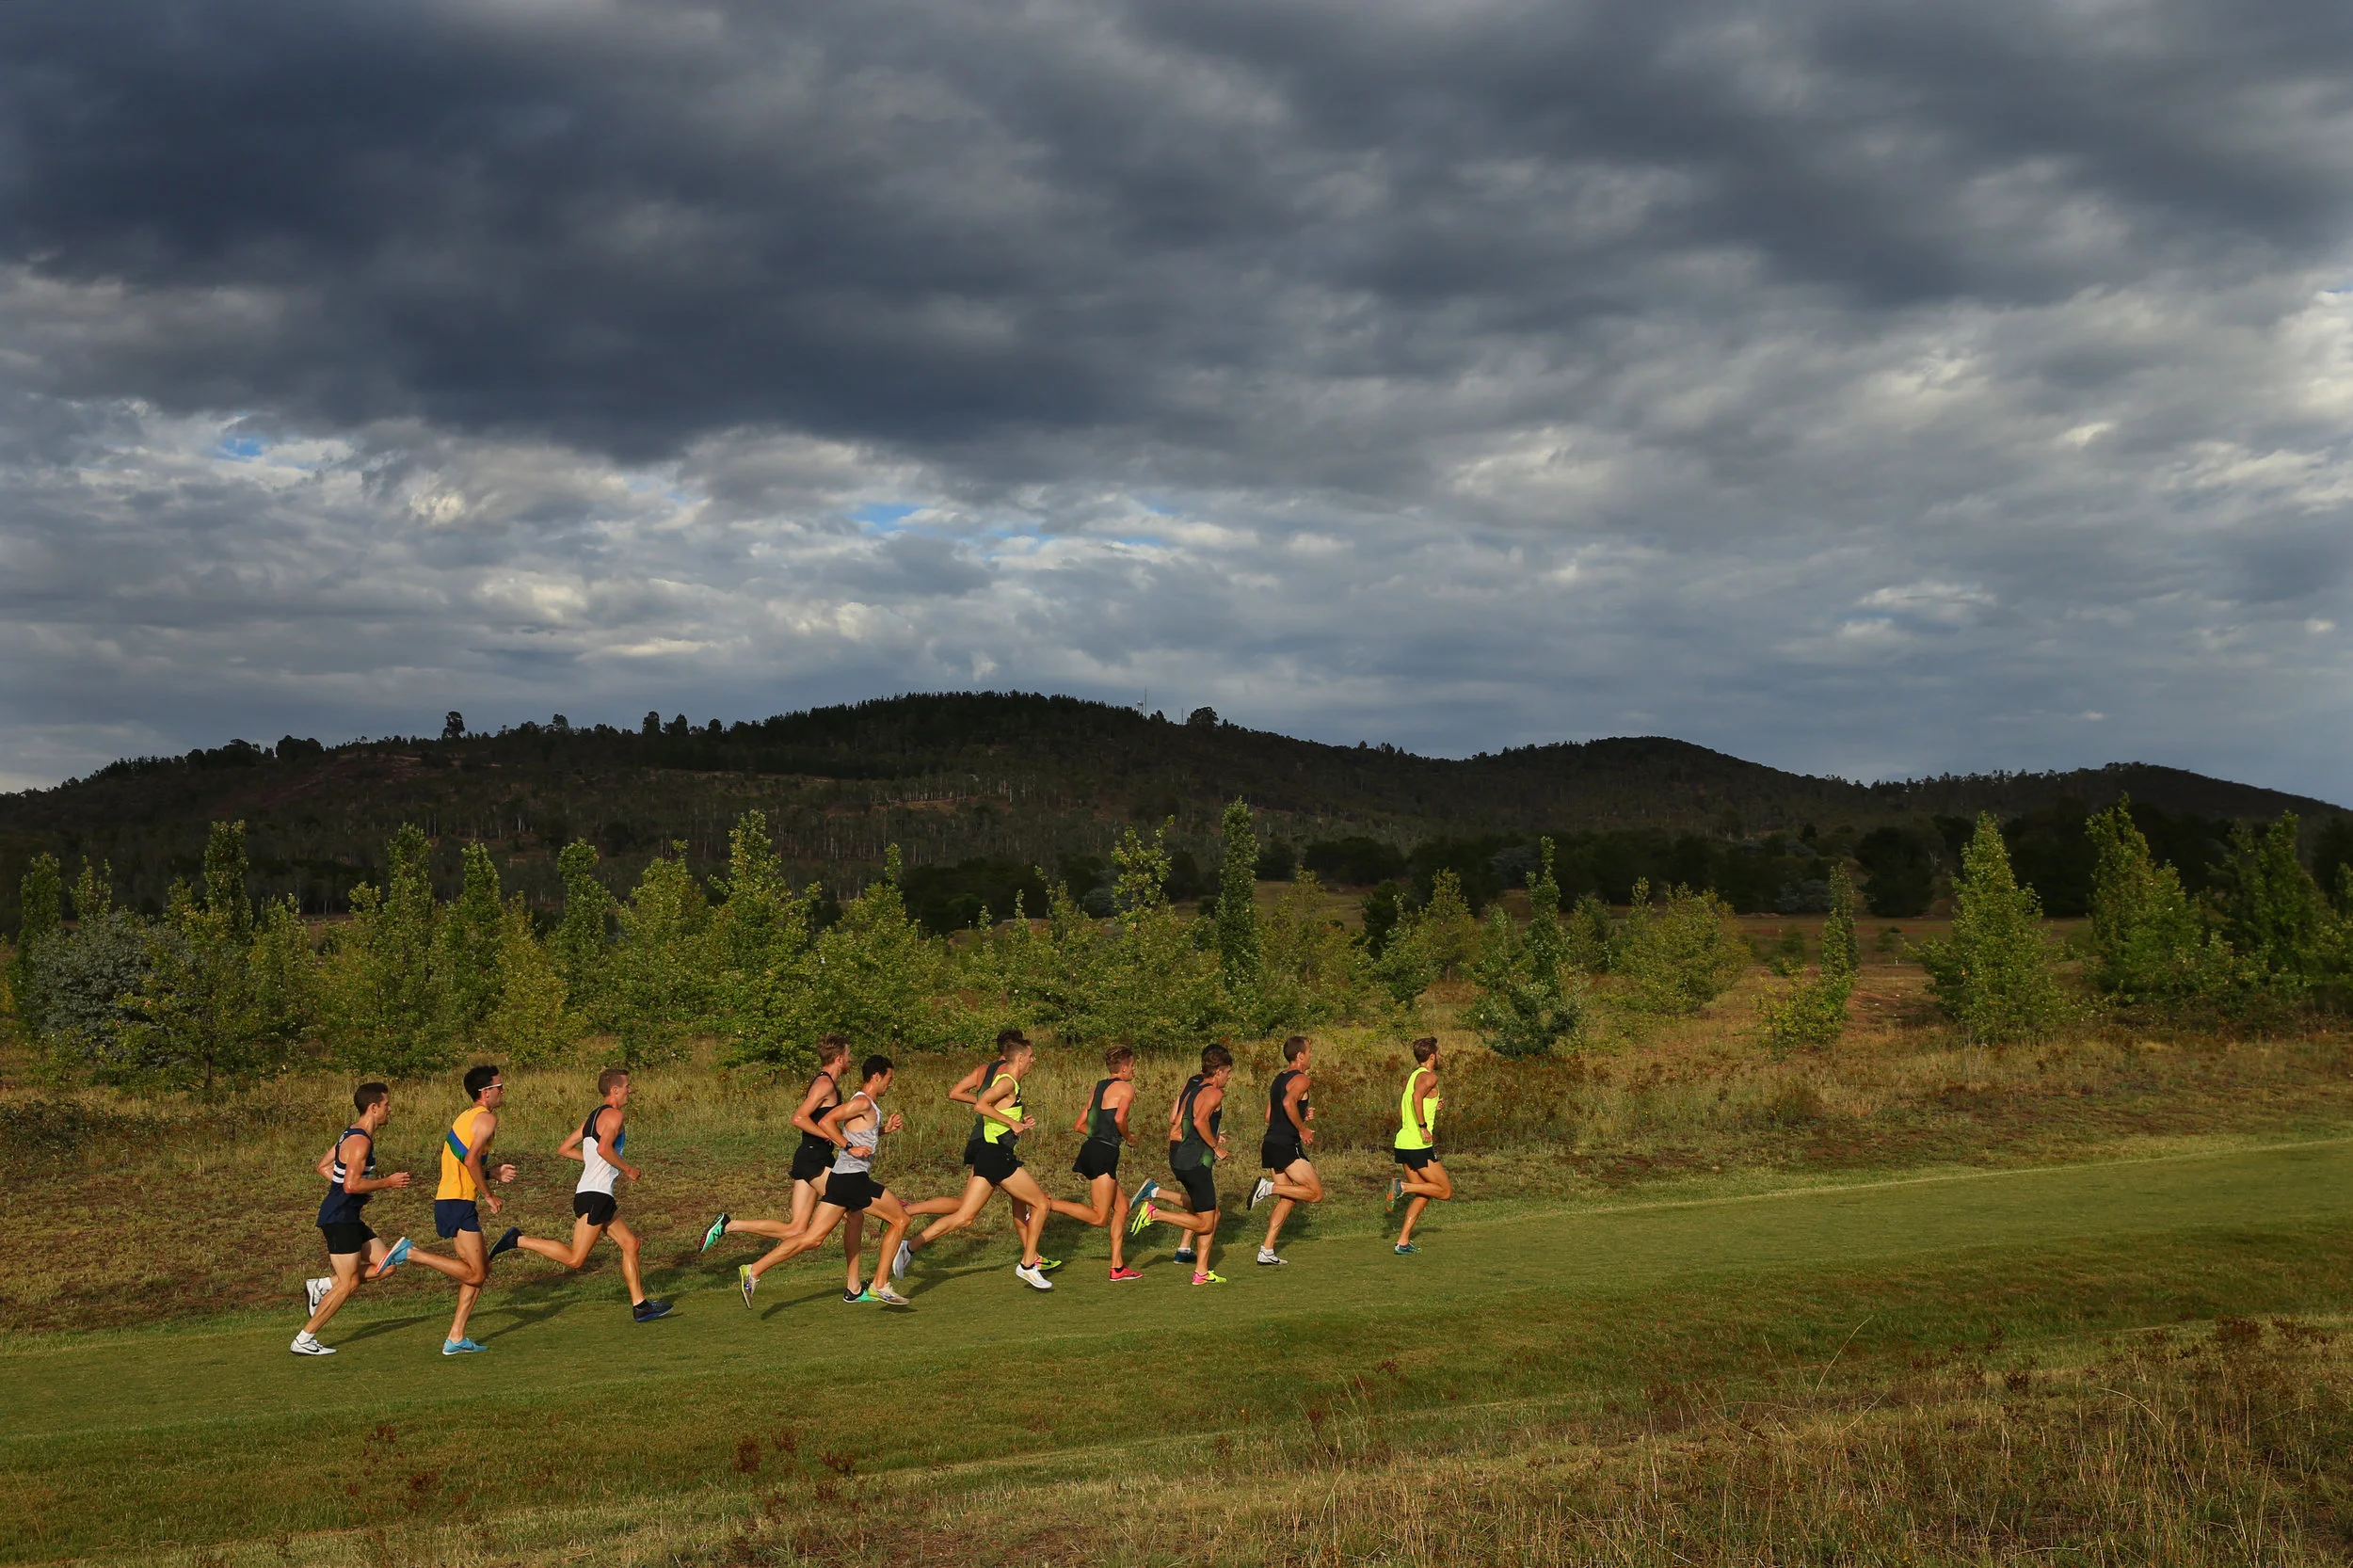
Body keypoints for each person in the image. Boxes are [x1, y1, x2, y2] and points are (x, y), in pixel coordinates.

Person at [740, 1054, 914, 1308]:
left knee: (812, 1238)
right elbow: (825, 1120)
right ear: (877, 1076)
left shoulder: (867, 1105)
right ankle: (880, 1285)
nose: (891, 1083)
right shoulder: (862, 1102)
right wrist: (848, 1147)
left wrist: (884, 1130)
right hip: (853, 1180)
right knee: (900, 1219)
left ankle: (753, 1270)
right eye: (889, 1078)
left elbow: (857, 1130)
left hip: (841, 1181)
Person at [895, 1034, 1060, 1290]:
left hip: (989, 1153)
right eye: (1030, 1057)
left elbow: (994, 1112)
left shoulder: (1011, 1083)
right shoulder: (1007, 1081)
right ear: (1019, 1058)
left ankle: (910, 1247)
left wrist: (1018, 1125)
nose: (1033, 1061)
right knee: (1040, 1203)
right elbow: (981, 1106)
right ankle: (1028, 1264)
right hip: (995, 1155)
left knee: (964, 1217)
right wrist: (1011, 1122)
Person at [512, 1067, 672, 1320]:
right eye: (627, 1085)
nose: (631, 1089)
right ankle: (518, 1240)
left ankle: (640, 1305)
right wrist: (627, 1168)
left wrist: (597, 1163)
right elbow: (603, 1148)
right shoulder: (615, 1116)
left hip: (595, 1193)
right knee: (576, 1260)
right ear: (615, 1090)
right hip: (596, 1195)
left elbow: (564, 1149)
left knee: (631, 1244)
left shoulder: (593, 1117)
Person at [699, 1034, 864, 1272]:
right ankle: (855, 1284)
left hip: (812, 1157)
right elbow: (798, 1118)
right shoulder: (825, 1084)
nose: (851, 1060)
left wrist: (879, 1130)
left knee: (796, 1229)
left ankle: (728, 1225)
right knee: (853, 1207)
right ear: (839, 1058)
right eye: (849, 1056)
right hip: (813, 1158)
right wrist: (829, 1136)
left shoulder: (828, 1084)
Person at [293, 1082, 418, 1355]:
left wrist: (355, 1194)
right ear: (373, 1108)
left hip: (347, 1214)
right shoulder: (360, 1140)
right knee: (348, 1283)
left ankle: (323, 1285)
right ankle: (304, 1339)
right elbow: (350, 1185)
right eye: (387, 1105)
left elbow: (324, 1167)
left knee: (386, 1266)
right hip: (339, 1218)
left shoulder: (349, 1134)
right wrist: (387, 1183)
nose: (390, 1110)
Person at [418, 1064, 527, 1353]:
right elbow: (470, 1160)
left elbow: (467, 1162)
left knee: (480, 1270)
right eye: (499, 1087)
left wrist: (492, 1173)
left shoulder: (467, 1118)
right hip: (457, 1201)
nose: (503, 1091)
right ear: (485, 1092)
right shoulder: (485, 1119)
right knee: (477, 1274)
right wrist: (489, 1195)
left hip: (453, 1200)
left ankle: (456, 1337)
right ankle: (411, 1253)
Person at [1128, 1045, 1233, 1284]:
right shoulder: (1215, 1093)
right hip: (1195, 1160)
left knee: (1210, 1213)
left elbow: (1177, 1122)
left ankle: (1201, 1273)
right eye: (1228, 1072)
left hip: (1181, 1157)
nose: (1229, 1077)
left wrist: (1210, 1138)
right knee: (1206, 1222)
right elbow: (1198, 1121)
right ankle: (1155, 1213)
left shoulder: (1193, 1089)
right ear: (1218, 1072)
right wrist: (1215, 1147)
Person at [1042, 1044, 1141, 1281]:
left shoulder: (1099, 1087)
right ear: (1124, 1067)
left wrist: (1098, 1139)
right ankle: (1045, 1204)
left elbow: (1079, 1125)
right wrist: (1128, 1137)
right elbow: (1119, 1118)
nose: (1134, 1071)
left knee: (1123, 1208)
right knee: (1099, 1218)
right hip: (1104, 1154)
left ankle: (1117, 1267)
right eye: (1133, 1066)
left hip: (1092, 1149)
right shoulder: (1126, 1088)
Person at [1247, 1035, 1324, 1265]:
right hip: (1286, 1145)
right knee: (1316, 1194)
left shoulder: (1278, 1079)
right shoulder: (1302, 1078)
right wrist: (1302, 1129)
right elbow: (1288, 1104)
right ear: (1300, 1056)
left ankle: (1266, 1251)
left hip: (1271, 1142)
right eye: (1309, 1052)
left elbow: (1269, 1116)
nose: (1311, 1056)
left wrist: (1301, 1115)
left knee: (1288, 1197)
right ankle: (1267, 1188)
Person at [1388, 1037, 1453, 1254]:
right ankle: (1402, 1187)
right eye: (1439, 1052)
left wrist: (1434, 1106)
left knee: (1424, 1193)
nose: (1441, 1056)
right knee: (1444, 1191)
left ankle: (1403, 1242)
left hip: (1404, 1142)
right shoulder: (1430, 1076)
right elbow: (1417, 1097)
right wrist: (1424, 1126)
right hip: (1418, 1144)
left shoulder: (1414, 1076)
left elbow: (1410, 1104)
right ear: (1433, 1056)